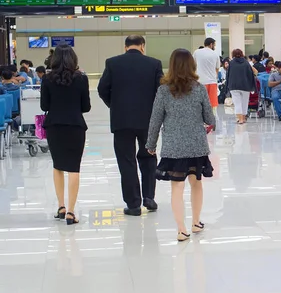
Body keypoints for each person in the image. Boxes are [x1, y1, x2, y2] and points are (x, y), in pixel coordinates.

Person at [146, 49, 215, 242]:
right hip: (196, 146)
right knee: (196, 183)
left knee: (177, 187)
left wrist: (150, 144)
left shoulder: (163, 90)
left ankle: (181, 229)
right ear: (192, 65)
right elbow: (209, 118)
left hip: (173, 147)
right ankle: (196, 222)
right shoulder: (199, 88)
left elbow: (155, 120)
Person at [98, 35, 164, 216]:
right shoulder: (154, 64)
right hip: (148, 120)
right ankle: (149, 197)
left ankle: (133, 204)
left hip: (122, 121)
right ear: (143, 46)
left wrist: (115, 105)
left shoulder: (112, 63)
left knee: (126, 161)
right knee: (148, 157)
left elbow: (102, 89)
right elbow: (161, 90)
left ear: (125, 46)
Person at [40, 44, 91, 226]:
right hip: (75, 126)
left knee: (58, 166)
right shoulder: (81, 79)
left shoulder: (47, 79)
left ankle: (61, 207)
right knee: (74, 168)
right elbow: (86, 107)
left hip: (54, 127)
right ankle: (71, 211)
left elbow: (44, 106)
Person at [226, 49, 255, 125]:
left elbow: (228, 75)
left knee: (237, 103)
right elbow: (250, 74)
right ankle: (244, 118)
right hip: (245, 86)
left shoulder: (231, 63)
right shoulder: (246, 63)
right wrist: (251, 85)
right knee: (245, 102)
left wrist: (227, 85)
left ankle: (240, 119)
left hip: (234, 86)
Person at [193, 37, 220, 114]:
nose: (214, 47)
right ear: (211, 44)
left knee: (199, 102)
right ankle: (211, 119)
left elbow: (192, 65)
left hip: (199, 81)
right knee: (212, 103)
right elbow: (217, 69)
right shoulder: (215, 54)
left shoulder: (196, 52)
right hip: (212, 82)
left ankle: (200, 118)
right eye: (214, 45)